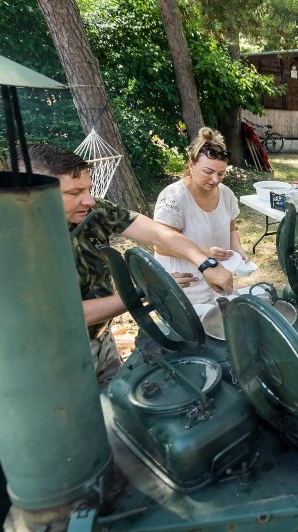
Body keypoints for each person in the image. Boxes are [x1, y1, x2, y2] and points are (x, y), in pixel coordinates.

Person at [21, 144, 233, 387]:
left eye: (88, 189)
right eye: (74, 192)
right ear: (33, 193)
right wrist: (148, 290)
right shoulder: (18, 245)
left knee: (116, 401)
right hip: (57, 356)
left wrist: (204, 262)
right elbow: (66, 315)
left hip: (102, 339)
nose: (89, 199)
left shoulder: (94, 210)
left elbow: (158, 233)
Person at [154, 127, 247, 305]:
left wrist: (238, 250)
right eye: (208, 172)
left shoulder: (226, 194)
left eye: (221, 173)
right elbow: (161, 247)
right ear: (191, 166)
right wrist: (204, 253)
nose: (215, 179)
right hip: (186, 284)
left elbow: (231, 229)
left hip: (218, 277)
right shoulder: (174, 197)